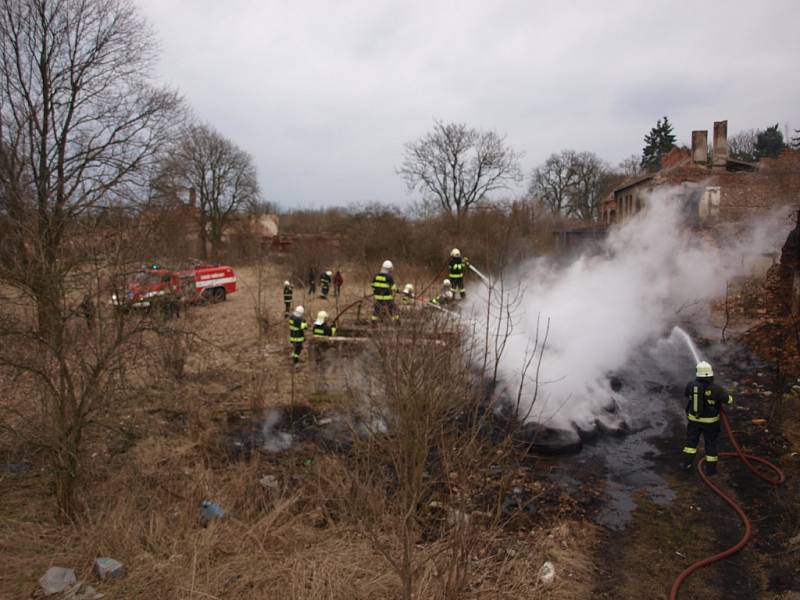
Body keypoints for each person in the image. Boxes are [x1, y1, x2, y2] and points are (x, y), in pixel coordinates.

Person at [682, 361, 734, 475]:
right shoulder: (716, 388)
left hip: (694, 421)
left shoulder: (691, 385)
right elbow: (729, 400)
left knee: (690, 443)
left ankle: (687, 464)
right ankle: (711, 471)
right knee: (710, 444)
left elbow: (686, 395)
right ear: (711, 374)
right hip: (711, 424)